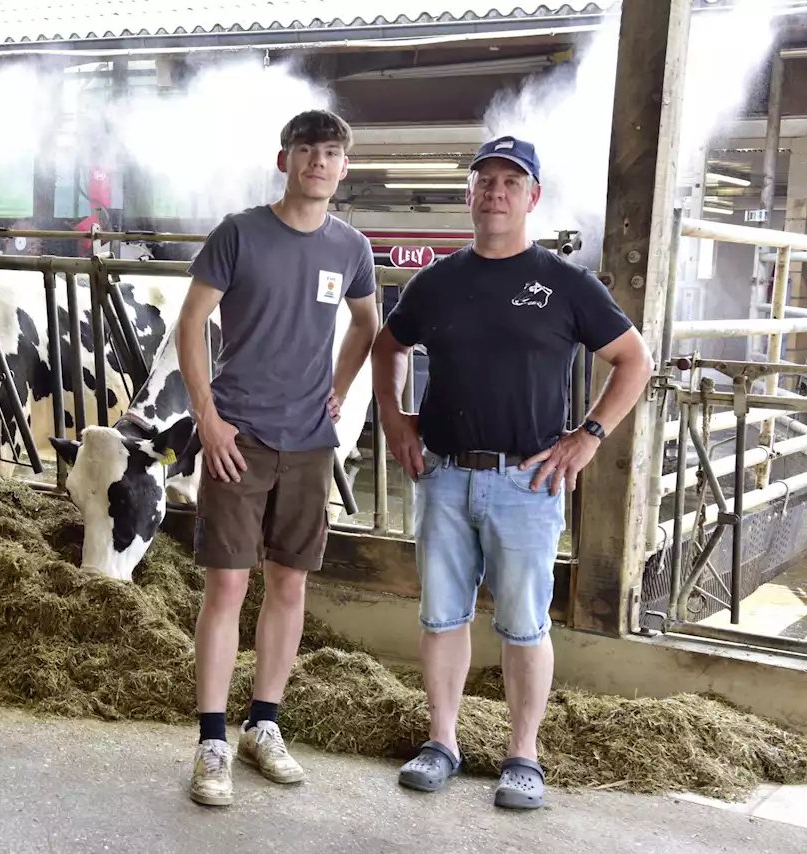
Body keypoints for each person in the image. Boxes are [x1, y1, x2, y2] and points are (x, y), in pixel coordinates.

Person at [371, 135, 653, 810]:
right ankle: (441, 742)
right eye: (484, 180)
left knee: (525, 623)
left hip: (527, 483)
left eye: (510, 181)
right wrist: (395, 416)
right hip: (443, 475)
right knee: (441, 617)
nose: (495, 192)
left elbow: (634, 360)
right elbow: (388, 346)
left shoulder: (566, 283)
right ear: (470, 195)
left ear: (533, 197)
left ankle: (523, 757)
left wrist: (587, 437)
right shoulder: (437, 282)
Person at [177, 109, 380, 807]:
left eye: (330, 153)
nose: (317, 163)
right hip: (240, 436)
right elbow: (192, 321)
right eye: (305, 151)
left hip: (309, 444)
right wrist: (208, 418)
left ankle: (263, 725)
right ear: (283, 159)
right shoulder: (240, 233)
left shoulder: (351, 246)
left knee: (289, 585)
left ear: (343, 167)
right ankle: (210, 741)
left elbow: (366, 323)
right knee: (228, 586)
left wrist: (340, 388)